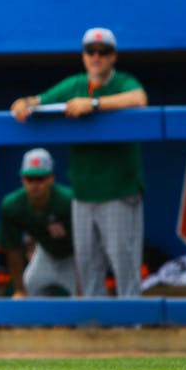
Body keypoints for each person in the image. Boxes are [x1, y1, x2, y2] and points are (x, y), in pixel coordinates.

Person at [9, 27, 147, 297]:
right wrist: (23, 103)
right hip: (83, 194)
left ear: (113, 56)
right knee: (88, 268)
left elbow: (139, 99)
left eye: (103, 52)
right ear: (84, 55)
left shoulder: (123, 82)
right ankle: (95, 322)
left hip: (119, 191)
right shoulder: (74, 85)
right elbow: (38, 101)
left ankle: (133, 322)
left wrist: (94, 104)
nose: (96, 57)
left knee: (124, 267)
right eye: (91, 51)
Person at [0, 148, 77, 297]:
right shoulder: (12, 205)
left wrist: (81, 283)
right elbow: (12, 250)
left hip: (73, 258)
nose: (34, 184)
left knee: (85, 301)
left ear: (51, 179)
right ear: (22, 180)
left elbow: (84, 245)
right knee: (25, 298)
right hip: (45, 255)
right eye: (29, 179)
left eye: (40, 179)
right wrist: (20, 290)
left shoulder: (67, 201)